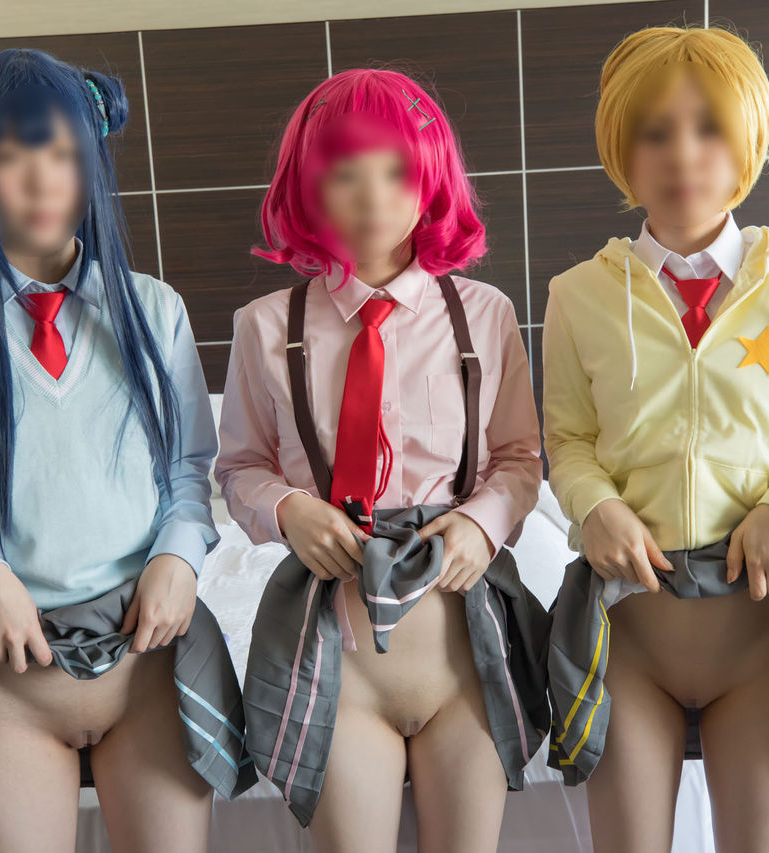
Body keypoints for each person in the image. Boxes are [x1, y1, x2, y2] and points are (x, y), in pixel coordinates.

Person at [0, 48, 254, 852]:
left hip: (146, 659)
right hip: (5, 673)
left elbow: (185, 469)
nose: (41, 181)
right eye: (9, 156)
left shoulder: (154, 311)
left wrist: (179, 554)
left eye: (63, 154)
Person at [541, 25, 769, 852]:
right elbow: (567, 437)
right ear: (621, 151)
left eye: (708, 129)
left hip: (765, 636)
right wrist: (593, 506)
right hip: (631, 634)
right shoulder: (577, 294)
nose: (682, 153)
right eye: (654, 132)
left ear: (747, 141)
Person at [214, 68, 549, 853]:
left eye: (396, 170)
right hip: (339, 662)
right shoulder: (264, 325)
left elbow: (519, 456)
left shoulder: (485, 315)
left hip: (462, 659)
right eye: (345, 172)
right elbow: (239, 467)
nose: (373, 194)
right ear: (307, 186)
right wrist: (288, 509)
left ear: (432, 180)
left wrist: (483, 523)